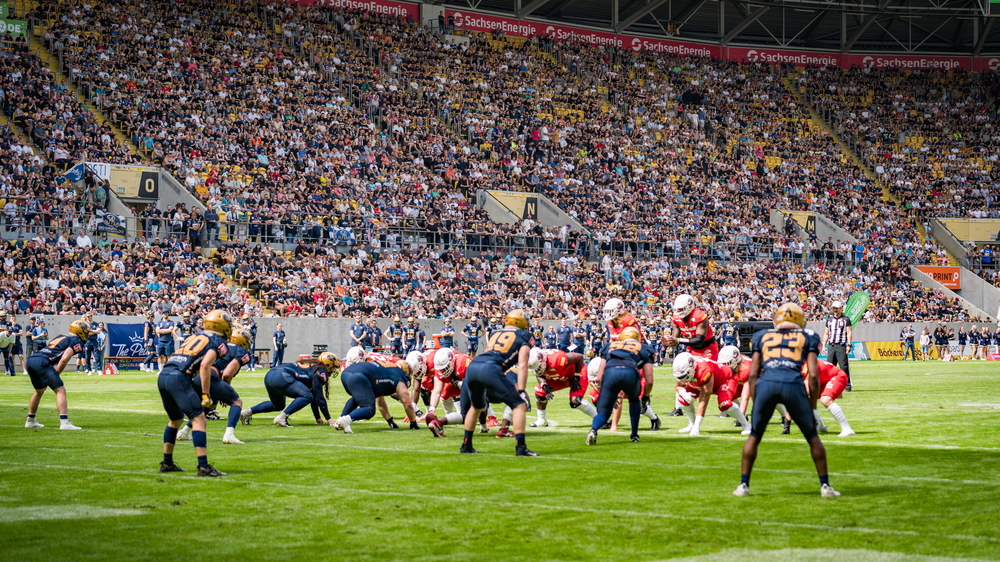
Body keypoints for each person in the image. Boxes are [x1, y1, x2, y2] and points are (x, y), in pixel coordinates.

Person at [734, 303, 839, 498]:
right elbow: (814, 375)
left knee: (755, 436)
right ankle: (825, 487)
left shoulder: (762, 336)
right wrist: (813, 407)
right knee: (812, 437)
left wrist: (758, 402)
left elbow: (753, 372)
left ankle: (743, 485)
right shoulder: (808, 336)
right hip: (793, 384)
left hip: (766, 384)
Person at [156, 309, 232, 476]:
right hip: (179, 378)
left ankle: (167, 463)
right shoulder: (217, 341)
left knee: (175, 420)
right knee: (199, 419)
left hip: (164, 376)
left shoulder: (194, 336)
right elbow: (205, 365)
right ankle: (204, 467)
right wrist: (206, 393)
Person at [457, 309, 538, 456]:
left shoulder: (496, 333)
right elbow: (523, 365)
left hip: (473, 366)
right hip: (491, 368)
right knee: (519, 404)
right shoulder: (524, 336)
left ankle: (466, 445)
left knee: (476, 406)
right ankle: (521, 447)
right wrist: (521, 389)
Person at [178, 329, 254, 444]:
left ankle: (184, 431)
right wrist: (225, 388)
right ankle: (229, 434)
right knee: (237, 402)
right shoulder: (241, 350)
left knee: (209, 404)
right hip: (211, 377)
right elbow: (227, 373)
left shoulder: (221, 345)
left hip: (198, 377)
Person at [584, 327, 653, 445]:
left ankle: (593, 430)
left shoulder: (609, 346)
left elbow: (600, 377)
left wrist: (606, 393)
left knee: (603, 412)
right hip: (630, 372)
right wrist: (646, 396)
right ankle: (634, 435)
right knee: (634, 401)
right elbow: (649, 380)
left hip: (611, 372)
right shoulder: (645, 348)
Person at [241, 352, 341, 427]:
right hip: (283, 376)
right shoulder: (321, 371)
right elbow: (318, 396)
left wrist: (317, 417)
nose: (333, 370)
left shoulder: (313, 366)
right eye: (333, 367)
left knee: (278, 405)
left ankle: (247, 413)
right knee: (307, 396)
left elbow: (314, 395)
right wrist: (329, 418)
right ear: (327, 365)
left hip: (271, 375)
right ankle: (282, 418)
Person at [24, 320, 92, 431]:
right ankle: (64, 422)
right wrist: (57, 373)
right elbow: (64, 358)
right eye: (86, 332)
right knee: (60, 390)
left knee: (39, 391)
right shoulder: (75, 340)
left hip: (32, 360)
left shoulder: (61, 336)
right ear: (79, 332)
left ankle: (30, 421)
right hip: (43, 362)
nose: (87, 334)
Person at [333, 355, 420, 433]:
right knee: (369, 409)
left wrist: (390, 421)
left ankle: (340, 420)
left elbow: (381, 403)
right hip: (358, 376)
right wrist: (413, 422)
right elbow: (407, 403)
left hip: (346, 374)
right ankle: (346, 420)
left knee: (359, 398)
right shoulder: (399, 374)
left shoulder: (387, 370)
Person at [672, 351, 751, 436]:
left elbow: (703, 402)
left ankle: (746, 425)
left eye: (685, 375)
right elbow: (678, 386)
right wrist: (684, 393)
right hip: (702, 381)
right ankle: (691, 424)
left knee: (725, 404)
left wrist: (697, 427)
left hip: (725, 379)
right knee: (682, 399)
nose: (683, 379)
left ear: (692, 367)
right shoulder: (683, 369)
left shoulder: (704, 370)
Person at [526, 348, 597, 427]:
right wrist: (544, 385)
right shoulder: (538, 361)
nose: (537, 370)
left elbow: (579, 357)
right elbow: (539, 374)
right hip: (561, 376)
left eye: (538, 367)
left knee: (575, 401)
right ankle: (542, 420)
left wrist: (576, 376)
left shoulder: (558, 359)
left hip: (577, 373)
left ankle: (600, 419)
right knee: (539, 390)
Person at [802, 359, 855, 437]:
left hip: (837, 376)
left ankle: (847, 428)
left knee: (825, 399)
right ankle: (821, 426)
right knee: (807, 400)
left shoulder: (806, 364)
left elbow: (806, 385)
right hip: (823, 380)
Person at [664, 294, 718, 361]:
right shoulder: (676, 317)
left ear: (689, 307)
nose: (678, 311)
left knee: (706, 370)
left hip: (707, 347)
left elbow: (699, 341)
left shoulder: (699, 315)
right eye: (677, 309)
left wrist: (678, 341)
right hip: (692, 348)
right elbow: (675, 340)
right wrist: (670, 343)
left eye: (680, 309)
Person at [822, 300, 852, 391]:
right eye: (833, 308)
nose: (834, 310)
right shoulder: (829, 320)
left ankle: (847, 385)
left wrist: (849, 345)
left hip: (841, 345)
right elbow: (826, 333)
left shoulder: (845, 319)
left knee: (843, 366)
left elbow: (849, 332)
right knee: (830, 367)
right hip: (831, 345)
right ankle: (830, 385)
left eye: (836, 308)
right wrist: (824, 346)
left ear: (840, 309)